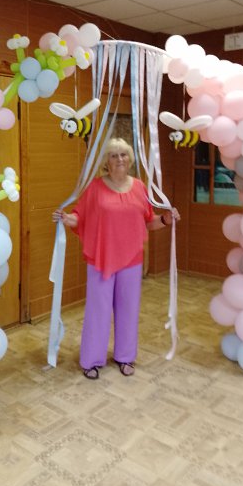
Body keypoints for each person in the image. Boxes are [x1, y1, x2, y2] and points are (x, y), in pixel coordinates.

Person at [52, 137, 180, 380]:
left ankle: (125, 357)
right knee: (97, 311)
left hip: (131, 259)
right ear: (106, 162)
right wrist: (68, 219)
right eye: (114, 155)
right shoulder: (95, 188)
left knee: (129, 310)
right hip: (101, 258)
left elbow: (149, 221)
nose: (120, 159)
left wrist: (165, 219)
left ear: (130, 159)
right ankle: (91, 360)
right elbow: (80, 216)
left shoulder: (140, 187)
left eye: (123, 155)